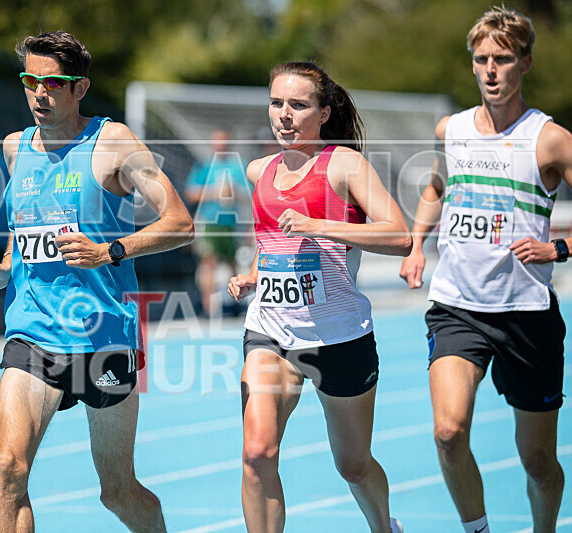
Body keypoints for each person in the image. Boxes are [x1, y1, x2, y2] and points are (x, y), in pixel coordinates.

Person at [0, 31, 194, 533]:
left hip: (102, 337)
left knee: (117, 492)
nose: (39, 94)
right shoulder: (14, 148)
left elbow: (179, 222)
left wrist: (109, 250)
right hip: (32, 333)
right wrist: (2, 270)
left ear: (80, 88)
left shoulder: (113, 143)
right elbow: (21, 232)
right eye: (31, 81)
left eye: (54, 83)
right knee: (8, 471)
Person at [398, 7, 572, 533]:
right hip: (457, 305)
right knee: (449, 432)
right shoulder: (451, 130)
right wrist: (416, 243)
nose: (491, 71)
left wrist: (559, 249)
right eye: (481, 60)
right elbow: (436, 186)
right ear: (472, 65)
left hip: (526, 316)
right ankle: (477, 529)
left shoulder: (549, 139)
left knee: (537, 462)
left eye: (502, 59)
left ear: (525, 63)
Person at [228, 61, 411, 533]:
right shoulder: (258, 171)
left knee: (352, 465)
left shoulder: (344, 165)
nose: (284, 115)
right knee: (256, 452)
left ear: (324, 113)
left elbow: (399, 236)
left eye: (298, 105)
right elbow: (274, 241)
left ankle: (383, 527)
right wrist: (252, 275)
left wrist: (321, 225)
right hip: (270, 330)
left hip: (340, 335)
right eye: (276, 103)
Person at [184, 129, 251, 315]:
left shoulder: (238, 167)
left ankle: (236, 303)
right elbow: (191, 193)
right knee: (209, 261)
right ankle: (208, 308)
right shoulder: (205, 166)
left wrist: (234, 192)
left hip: (231, 222)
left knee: (232, 263)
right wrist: (214, 192)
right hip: (210, 221)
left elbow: (251, 193)